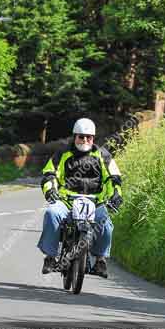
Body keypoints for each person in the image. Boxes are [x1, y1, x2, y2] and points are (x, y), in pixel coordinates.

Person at [37, 118, 123, 278]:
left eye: (88, 137)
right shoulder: (62, 153)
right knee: (51, 214)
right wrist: (50, 190)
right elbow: (49, 174)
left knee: (105, 223)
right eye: (81, 137)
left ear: (93, 138)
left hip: (95, 202)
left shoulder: (104, 155)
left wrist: (116, 195)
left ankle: (100, 260)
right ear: (74, 136)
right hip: (66, 201)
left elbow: (114, 178)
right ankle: (50, 257)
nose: (84, 140)